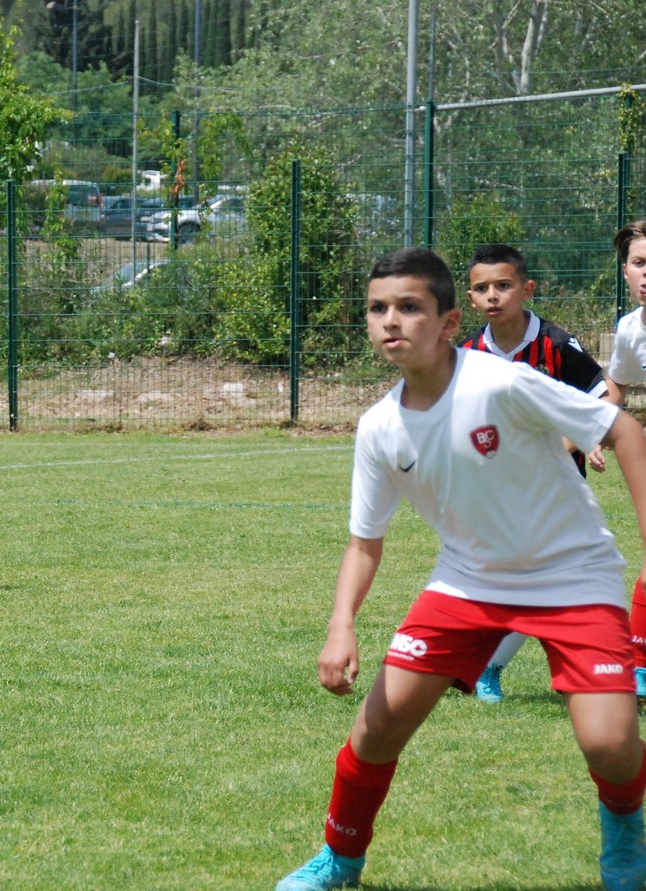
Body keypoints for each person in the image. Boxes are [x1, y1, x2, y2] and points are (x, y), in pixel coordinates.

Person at [276, 247, 646, 891]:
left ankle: (623, 829)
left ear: (449, 322)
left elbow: (623, 429)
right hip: (469, 583)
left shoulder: (500, 382)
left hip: (573, 577)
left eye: (409, 307)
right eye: (378, 308)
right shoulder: (379, 427)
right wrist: (341, 626)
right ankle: (339, 859)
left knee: (610, 744)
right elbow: (364, 543)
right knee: (377, 729)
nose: (391, 320)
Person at [458, 242, 621, 703]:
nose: (493, 295)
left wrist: (579, 439)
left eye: (504, 285)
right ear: (470, 298)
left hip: (554, 487)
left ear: (527, 289)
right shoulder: (467, 354)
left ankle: (485, 664)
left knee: (546, 574)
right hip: (493, 487)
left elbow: (605, 396)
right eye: (482, 288)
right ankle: (475, 661)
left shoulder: (556, 343)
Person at [606, 219, 646, 706]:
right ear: (626, 271)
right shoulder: (631, 329)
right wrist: (592, 426)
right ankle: (638, 668)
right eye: (639, 263)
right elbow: (616, 386)